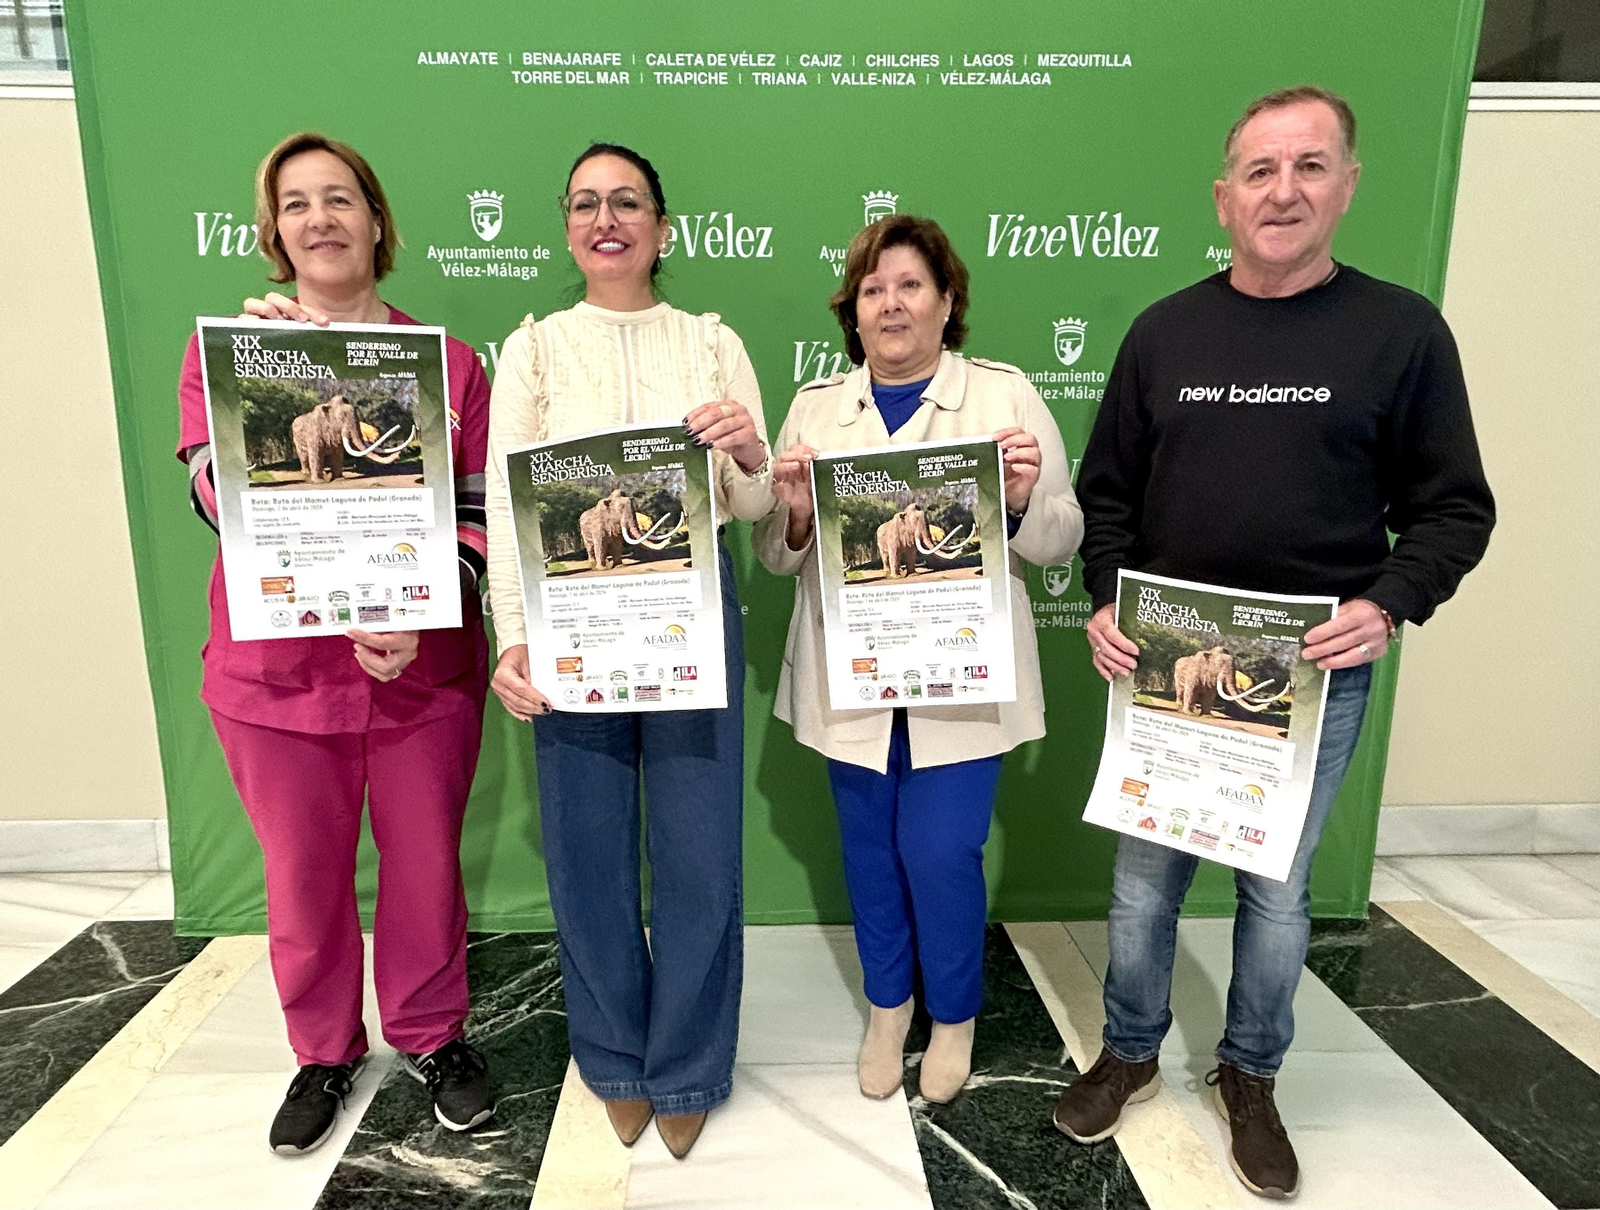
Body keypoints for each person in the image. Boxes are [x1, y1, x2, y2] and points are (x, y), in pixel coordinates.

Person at [1052, 86, 1495, 1199]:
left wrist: (1388, 600)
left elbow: (1454, 508)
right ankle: (1131, 1047)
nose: (1281, 189)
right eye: (1259, 170)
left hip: (1306, 675)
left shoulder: (1400, 333)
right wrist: (1104, 597)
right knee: (1144, 882)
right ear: (1222, 195)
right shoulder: (1164, 332)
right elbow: (1105, 497)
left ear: (1347, 184)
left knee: (1275, 890)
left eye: (1307, 166)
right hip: (1169, 665)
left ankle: (1251, 1071)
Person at [176, 132, 496, 1154]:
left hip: (420, 670)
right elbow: (213, 494)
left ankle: (431, 1033)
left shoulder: (447, 363)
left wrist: (422, 603)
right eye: (297, 203)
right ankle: (323, 1049)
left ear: (375, 219)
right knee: (303, 876)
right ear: (274, 230)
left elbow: (480, 512)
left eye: (341, 198)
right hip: (278, 679)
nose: (321, 218)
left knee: (425, 870)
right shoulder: (228, 350)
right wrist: (256, 387)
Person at [483, 143, 775, 1160]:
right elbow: (506, 506)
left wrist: (746, 451)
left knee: (698, 854)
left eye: (627, 203)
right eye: (585, 204)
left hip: (692, 622)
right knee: (586, 852)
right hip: (571, 633)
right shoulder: (533, 349)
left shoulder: (709, 341)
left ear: (662, 224)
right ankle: (612, 1054)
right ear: (567, 225)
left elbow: (753, 501)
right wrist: (511, 638)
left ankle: (687, 1061)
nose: (606, 219)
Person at [753, 215, 1082, 1104]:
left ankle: (957, 1015)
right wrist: (787, 512)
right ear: (852, 314)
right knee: (869, 853)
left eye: (910, 285)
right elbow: (777, 559)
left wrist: (1017, 502)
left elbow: (1063, 537)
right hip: (849, 681)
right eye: (872, 290)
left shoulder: (1006, 398)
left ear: (947, 302)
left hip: (960, 685)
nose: (890, 303)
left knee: (941, 852)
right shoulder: (819, 408)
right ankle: (889, 1007)